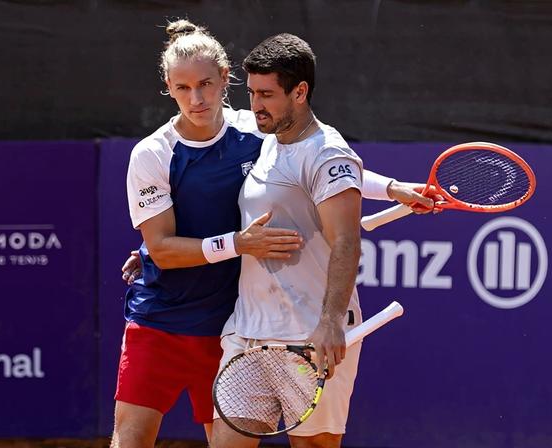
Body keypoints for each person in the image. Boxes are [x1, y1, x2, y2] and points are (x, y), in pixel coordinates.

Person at [114, 20, 436, 448]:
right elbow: (163, 245)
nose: (197, 99)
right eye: (182, 88)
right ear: (169, 88)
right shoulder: (165, 151)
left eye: (207, 84)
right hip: (218, 326)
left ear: (224, 79)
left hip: (265, 324)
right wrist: (224, 245)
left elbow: (332, 171)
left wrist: (391, 188)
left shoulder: (261, 130)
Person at [209, 34, 388, 448]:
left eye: (267, 94)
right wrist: (395, 188)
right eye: (251, 92)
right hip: (249, 333)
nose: (255, 104)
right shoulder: (266, 139)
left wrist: (330, 322)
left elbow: (347, 241)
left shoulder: (327, 153)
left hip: (310, 335)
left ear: (300, 92)